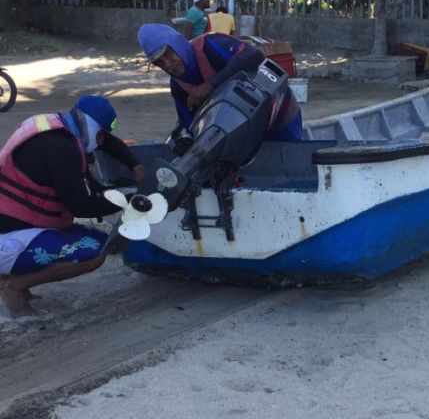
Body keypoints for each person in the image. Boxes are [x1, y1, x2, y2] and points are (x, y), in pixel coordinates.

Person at [0, 96, 144, 317]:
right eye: (101, 133)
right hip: (8, 238)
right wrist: (128, 199)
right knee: (96, 251)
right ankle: (15, 286)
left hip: (12, 223)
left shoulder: (56, 126)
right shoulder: (62, 148)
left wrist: (135, 165)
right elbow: (82, 207)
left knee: (84, 235)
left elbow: (108, 141)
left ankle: (11, 279)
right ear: (92, 127)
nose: (102, 140)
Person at [137, 24, 303, 141]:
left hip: (279, 111)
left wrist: (209, 86)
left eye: (168, 54)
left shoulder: (211, 45)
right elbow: (189, 123)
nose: (167, 64)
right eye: (158, 62)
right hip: (246, 131)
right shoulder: (179, 87)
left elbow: (254, 55)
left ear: (177, 44)